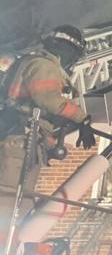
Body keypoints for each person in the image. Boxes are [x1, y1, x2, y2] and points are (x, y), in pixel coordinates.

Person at [0, 26, 92, 229]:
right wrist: (82, 118)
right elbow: (49, 100)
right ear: (67, 50)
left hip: (23, 142)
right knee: (9, 200)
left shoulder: (32, 62)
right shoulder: (44, 66)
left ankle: (13, 244)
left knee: (20, 201)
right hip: (19, 144)